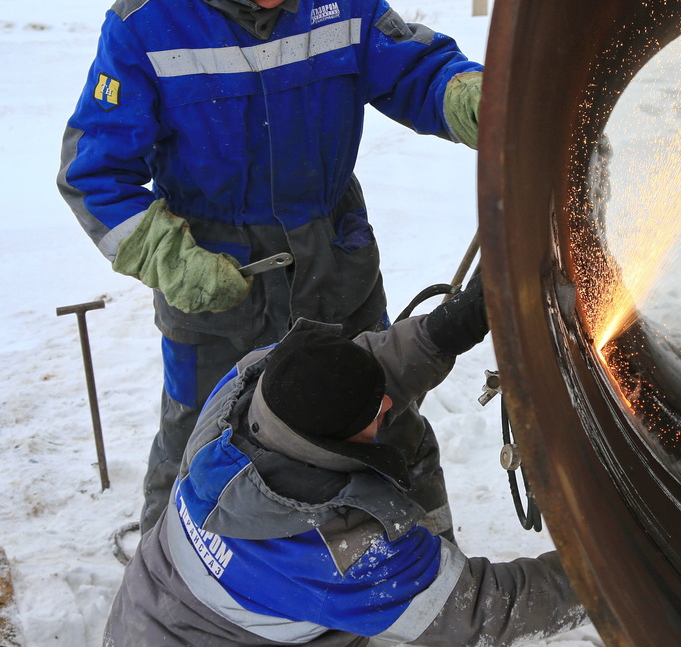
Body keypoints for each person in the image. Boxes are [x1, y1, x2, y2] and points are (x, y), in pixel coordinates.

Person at [57, 0, 483, 534]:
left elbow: (417, 71)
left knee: (378, 414)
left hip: (333, 265)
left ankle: (420, 551)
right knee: (203, 435)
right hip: (219, 280)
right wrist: (172, 258)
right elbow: (93, 173)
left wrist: (468, 96)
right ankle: (175, 570)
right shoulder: (144, 29)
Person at [102, 276, 590, 647]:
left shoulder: (245, 391)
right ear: (328, 448)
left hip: (150, 610)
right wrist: (605, 574)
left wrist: (449, 329)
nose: (385, 405)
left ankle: (419, 573)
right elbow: (485, 611)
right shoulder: (336, 548)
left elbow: (353, 373)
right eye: (368, 414)